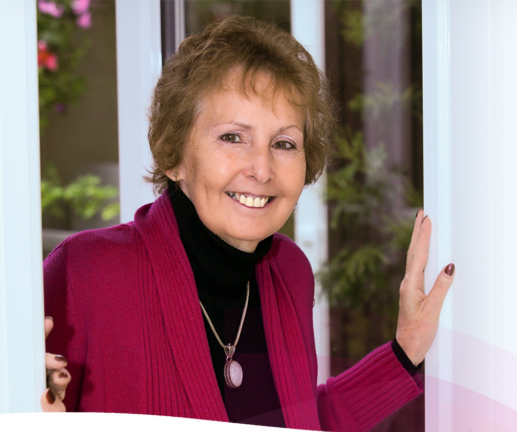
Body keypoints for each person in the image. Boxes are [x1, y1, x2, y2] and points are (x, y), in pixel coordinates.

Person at [41, 16, 455, 431]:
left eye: (284, 144)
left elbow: (301, 419)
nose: (262, 169)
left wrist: (405, 352)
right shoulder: (85, 273)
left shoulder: (289, 273)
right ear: (174, 155)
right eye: (233, 137)